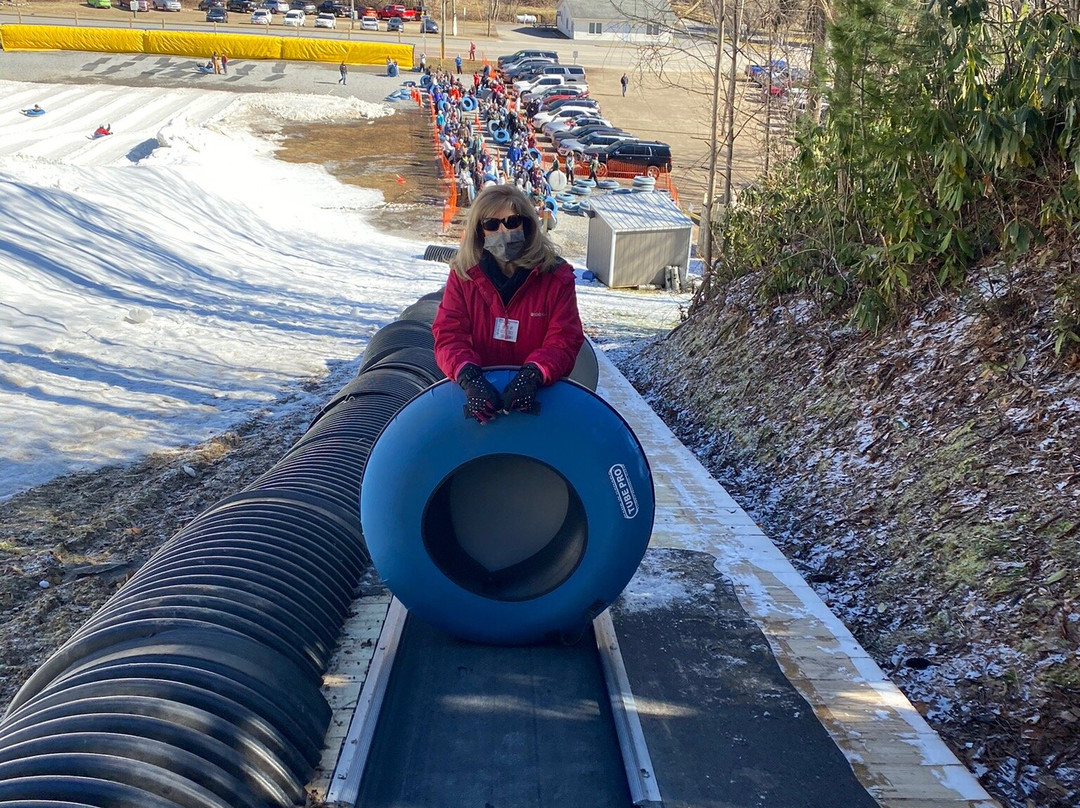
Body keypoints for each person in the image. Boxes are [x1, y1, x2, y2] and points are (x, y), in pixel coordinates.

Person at [432, 185, 585, 425]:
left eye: (511, 222)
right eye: (492, 225)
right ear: (480, 231)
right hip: (482, 404)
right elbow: (449, 335)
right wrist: (469, 376)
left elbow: (565, 339)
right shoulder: (464, 277)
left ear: (526, 224)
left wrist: (534, 374)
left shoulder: (556, 277)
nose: (503, 230)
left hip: (538, 399)